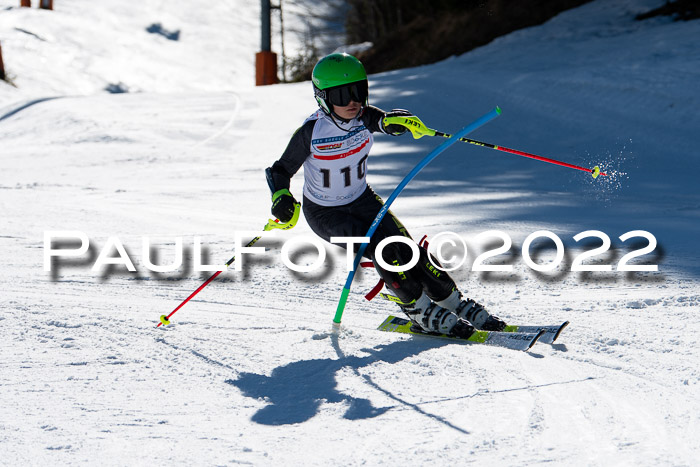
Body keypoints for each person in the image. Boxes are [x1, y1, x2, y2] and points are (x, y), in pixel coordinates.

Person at [266, 53, 506, 338]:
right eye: (343, 95)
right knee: (387, 251)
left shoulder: (362, 117)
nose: (353, 102)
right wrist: (281, 196)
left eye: (359, 92)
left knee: (410, 250)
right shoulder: (311, 132)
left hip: (363, 199)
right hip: (326, 213)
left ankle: (455, 303)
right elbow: (279, 170)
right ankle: (418, 310)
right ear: (323, 98)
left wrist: (402, 123)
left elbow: (383, 121)